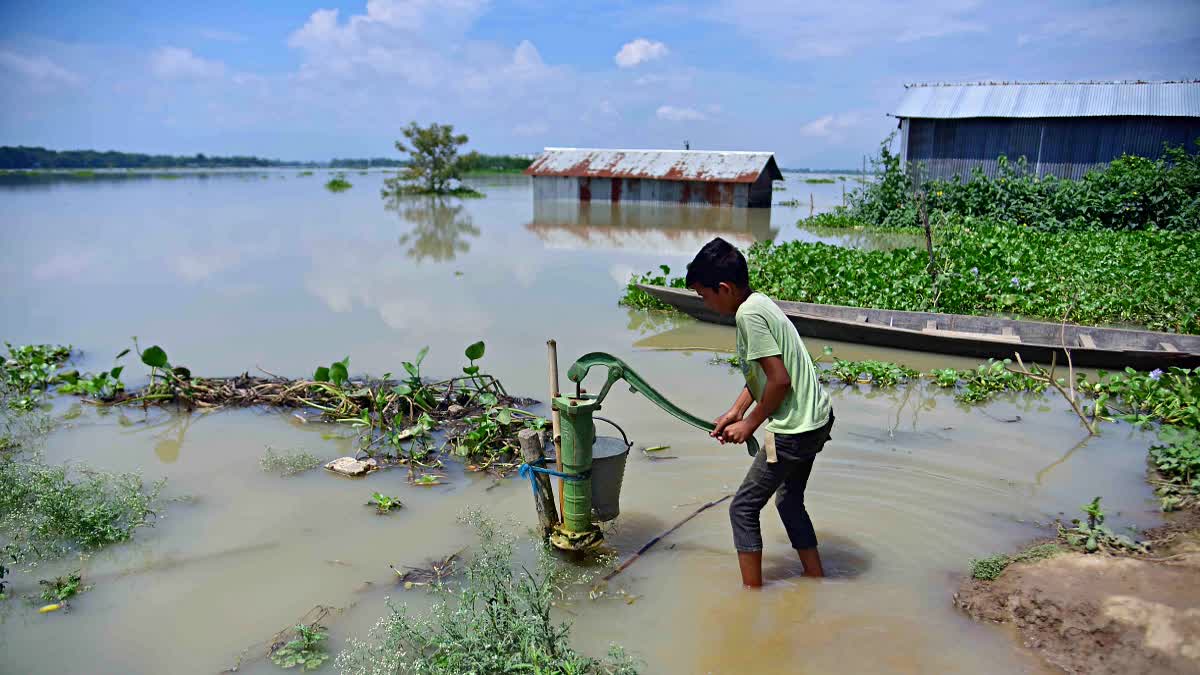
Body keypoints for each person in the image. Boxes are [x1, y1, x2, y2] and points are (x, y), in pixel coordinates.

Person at [685, 237, 834, 587]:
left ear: (723, 288)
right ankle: (815, 578)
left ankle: (752, 595)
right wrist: (735, 411)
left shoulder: (748, 316)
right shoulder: (759, 302)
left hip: (794, 430)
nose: (705, 304)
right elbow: (764, 376)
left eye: (705, 296)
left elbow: (779, 381)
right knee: (789, 501)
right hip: (816, 420)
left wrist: (750, 423)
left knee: (743, 509)